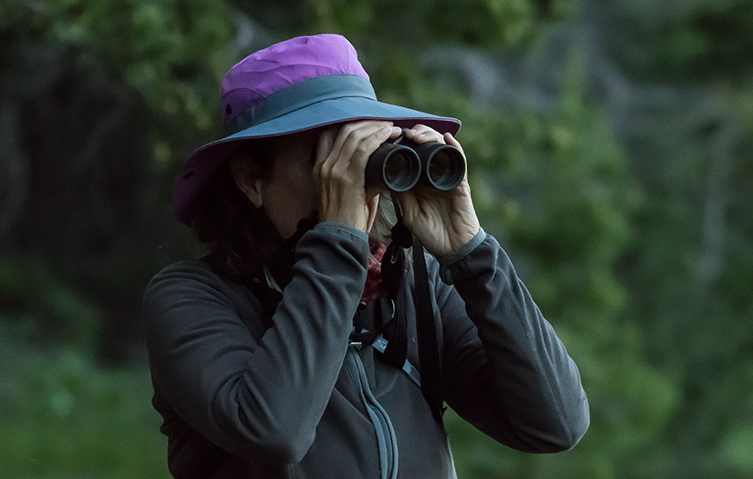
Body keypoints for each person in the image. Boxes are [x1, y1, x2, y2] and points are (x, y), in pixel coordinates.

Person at [144, 34, 589, 479]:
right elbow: (274, 431)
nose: (351, 178)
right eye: (328, 161)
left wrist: (471, 252)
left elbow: (555, 424)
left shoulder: (415, 288)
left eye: (364, 156)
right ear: (250, 180)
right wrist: (339, 242)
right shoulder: (192, 298)